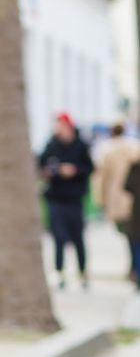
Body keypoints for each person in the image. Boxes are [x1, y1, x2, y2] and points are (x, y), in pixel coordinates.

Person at [38, 112, 94, 290]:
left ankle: (83, 272)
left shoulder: (80, 145)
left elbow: (90, 167)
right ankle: (59, 272)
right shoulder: (51, 145)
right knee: (59, 237)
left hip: (74, 198)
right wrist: (49, 171)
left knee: (78, 237)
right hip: (56, 197)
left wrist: (74, 170)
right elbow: (41, 164)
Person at [93, 122, 140, 282]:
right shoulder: (134, 147)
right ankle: (134, 266)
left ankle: (134, 267)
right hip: (133, 197)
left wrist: (101, 199)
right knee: (134, 234)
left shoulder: (107, 150)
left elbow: (102, 178)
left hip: (117, 196)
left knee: (130, 235)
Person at [122, 158, 140, 290]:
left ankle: (137, 275)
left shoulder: (135, 166)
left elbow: (127, 186)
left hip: (137, 213)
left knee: (137, 246)